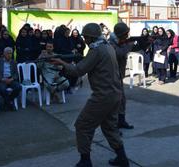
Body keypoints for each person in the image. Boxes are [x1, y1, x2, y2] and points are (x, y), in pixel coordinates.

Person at [51, 23, 129, 167]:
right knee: (110, 127)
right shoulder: (107, 46)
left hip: (102, 96)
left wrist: (62, 63)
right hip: (115, 94)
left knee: (82, 125)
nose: (84, 40)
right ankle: (122, 158)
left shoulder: (96, 50)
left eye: (85, 37)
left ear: (90, 37)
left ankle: (85, 161)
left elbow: (78, 71)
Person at [110, 22, 137, 130]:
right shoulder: (111, 43)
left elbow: (132, 48)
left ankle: (121, 121)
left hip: (119, 75)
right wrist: (129, 45)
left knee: (122, 100)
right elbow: (118, 53)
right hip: (112, 76)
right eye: (125, 34)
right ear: (120, 34)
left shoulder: (122, 42)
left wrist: (145, 42)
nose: (127, 36)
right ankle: (113, 125)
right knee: (114, 101)